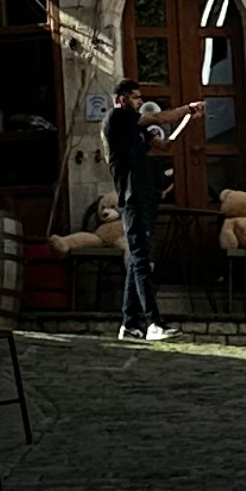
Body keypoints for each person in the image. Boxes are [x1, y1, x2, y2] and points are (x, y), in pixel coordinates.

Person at [101, 84, 180, 344]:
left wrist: (181, 128)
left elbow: (162, 145)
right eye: (136, 98)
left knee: (139, 260)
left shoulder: (135, 127)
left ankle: (129, 324)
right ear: (122, 99)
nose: (139, 102)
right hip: (131, 198)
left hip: (143, 198)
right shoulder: (117, 117)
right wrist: (187, 109)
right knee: (141, 261)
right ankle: (153, 323)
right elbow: (157, 117)